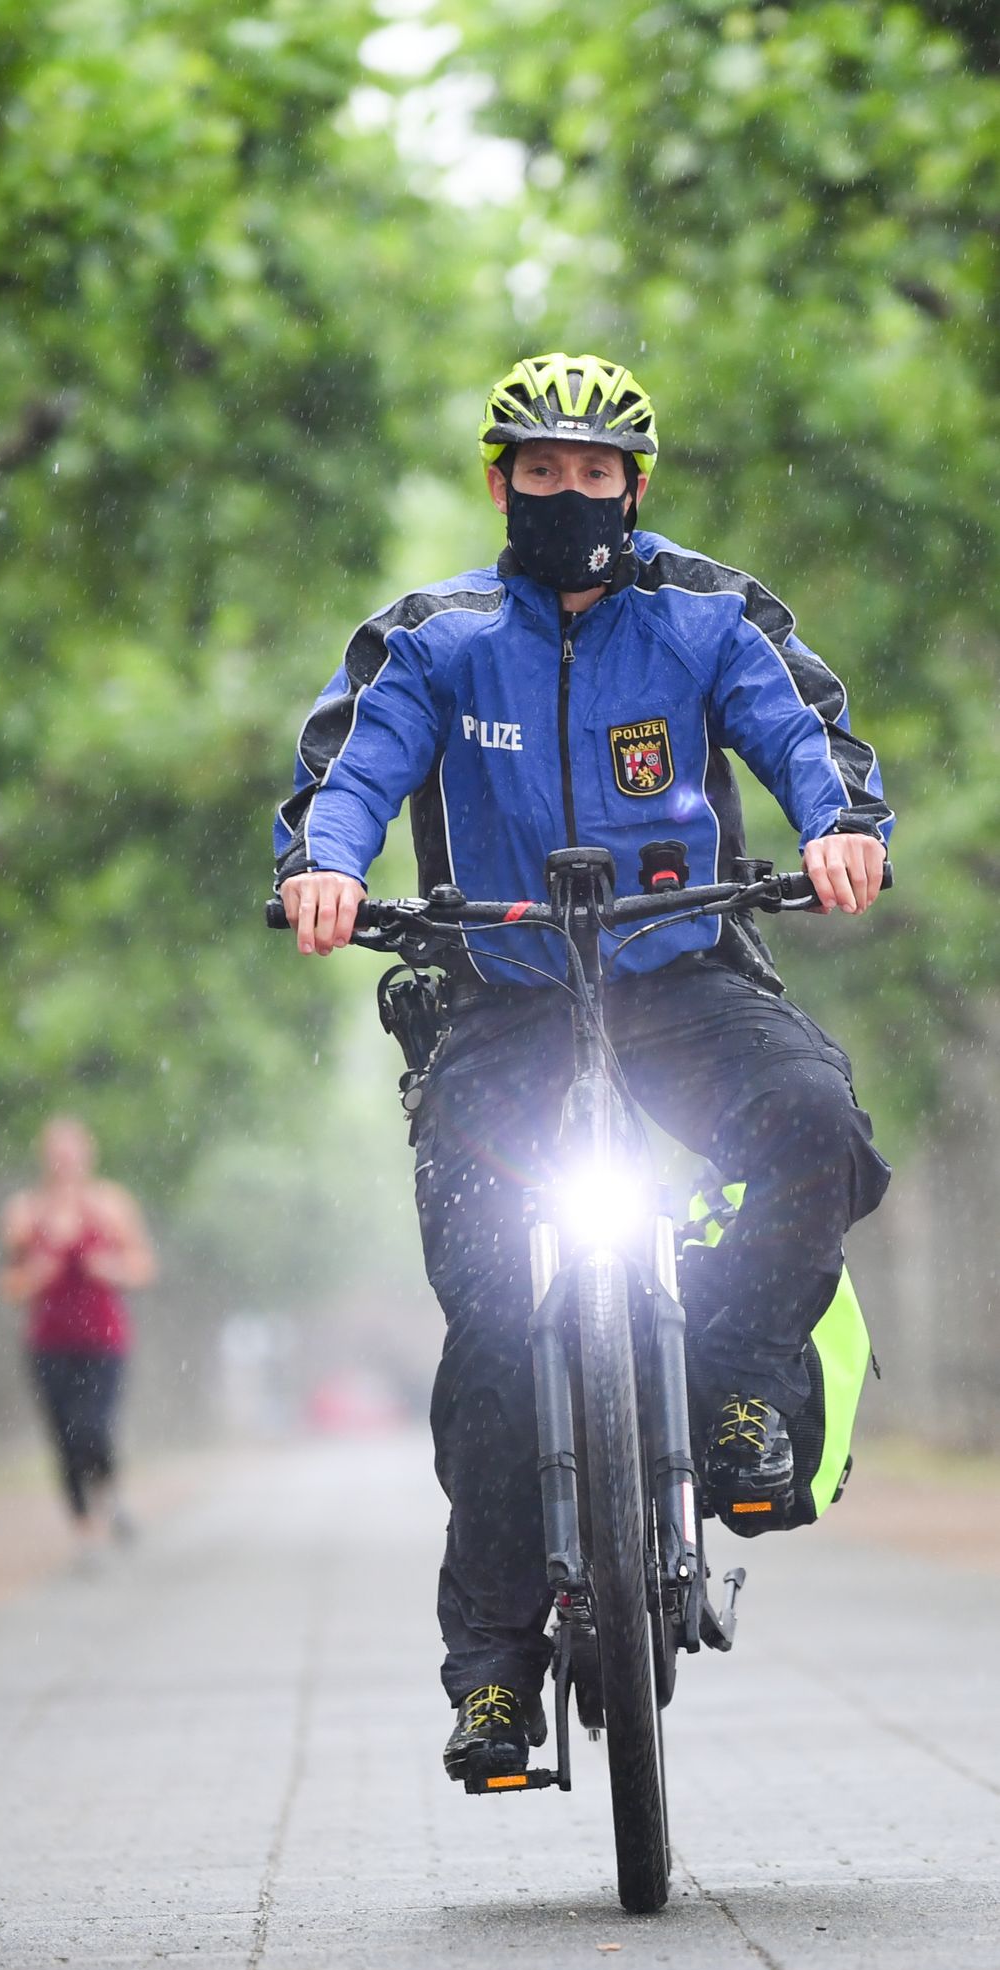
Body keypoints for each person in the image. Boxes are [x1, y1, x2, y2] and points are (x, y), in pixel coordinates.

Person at [274, 351, 892, 1783]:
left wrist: (837, 824)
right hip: (500, 1003)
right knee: (492, 1338)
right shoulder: (433, 637)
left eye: (593, 471)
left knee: (814, 1121)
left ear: (635, 484)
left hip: (681, 978)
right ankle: (492, 1674)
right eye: (537, 470)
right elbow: (352, 770)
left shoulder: (706, 615)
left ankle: (736, 1380)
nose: (568, 494)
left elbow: (804, 736)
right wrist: (321, 865)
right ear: (498, 483)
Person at [0, 1119, 156, 1554]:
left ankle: (110, 1491)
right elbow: (9, 1283)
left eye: (72, 1152)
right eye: (56, 1152)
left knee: (94, 1427)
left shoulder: (111, 1205)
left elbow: (143, 1267)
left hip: (104, 1341)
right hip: (49, 1343)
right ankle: (84, 1525)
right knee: (64, 1435)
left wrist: (113, 1269)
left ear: (88, 1154)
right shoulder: (26, 1212)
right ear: (45, 1157)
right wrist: (35, 1276)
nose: (64, 1161)